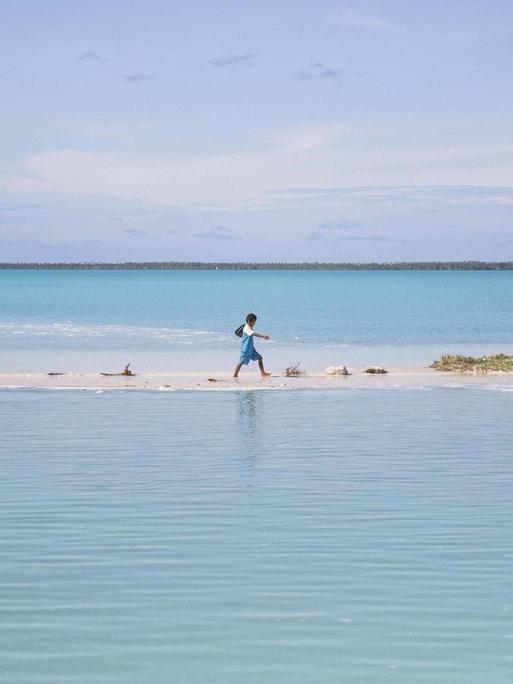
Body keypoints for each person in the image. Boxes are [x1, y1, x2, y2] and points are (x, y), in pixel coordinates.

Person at [233, 313, 271, 378]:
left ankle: (263, 373)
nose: (254, 323)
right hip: (246, 348)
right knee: (241, 362)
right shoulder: (246, 328)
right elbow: (253, 334)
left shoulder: (249, 327)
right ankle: (235, 375)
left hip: (251, 348)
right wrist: (263, 336)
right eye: (254, 321)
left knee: (260, 358)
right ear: (249, 321)